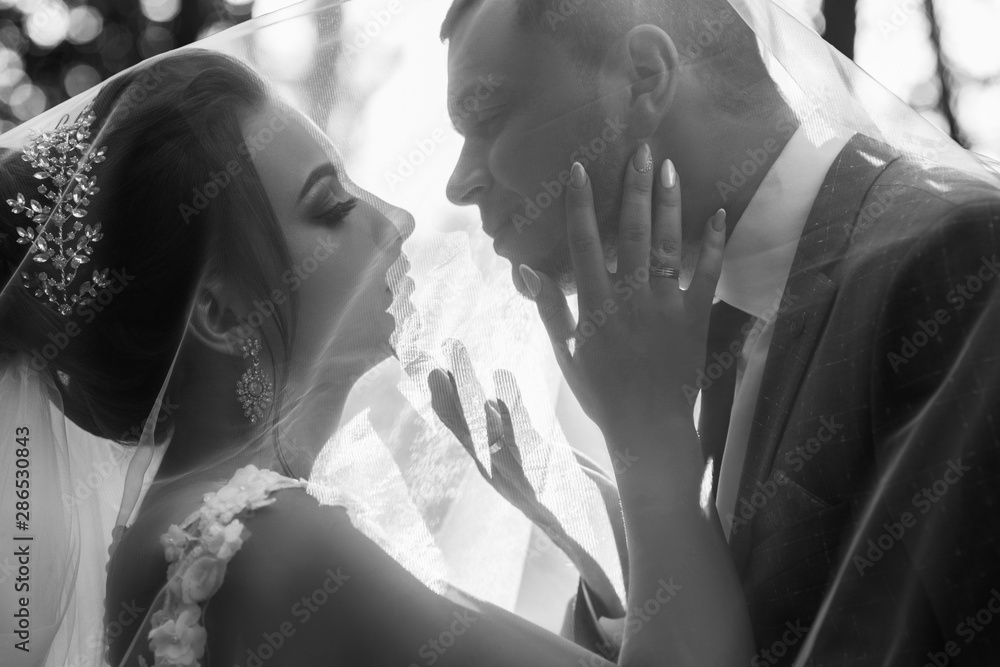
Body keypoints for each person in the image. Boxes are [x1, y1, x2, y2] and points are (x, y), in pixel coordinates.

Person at [0, 40, 755, 667]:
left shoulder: (172, 537)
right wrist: (650, 427)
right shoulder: (268, 543)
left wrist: (575, 525)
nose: (394, 220)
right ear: (221, 312)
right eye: (332, 205)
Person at [440, 0, 1000, 663]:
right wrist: (608, 522)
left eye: (487, 115)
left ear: (643, 79)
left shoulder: (957, 260)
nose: (458, 184)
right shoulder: (677, 349)